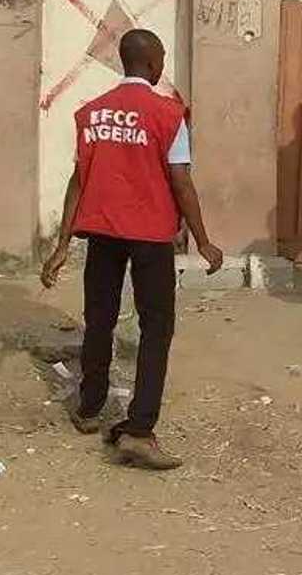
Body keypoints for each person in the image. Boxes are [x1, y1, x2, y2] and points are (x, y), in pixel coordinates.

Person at [40, 28, 223, 471]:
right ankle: (139, 430)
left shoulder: (92, 113)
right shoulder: (168, 114)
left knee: (99, 317)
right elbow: (180, 180)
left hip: (101, 231)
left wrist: (62, 244)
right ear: (152, 63)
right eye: (161, 57)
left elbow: (79, 180)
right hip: (151, 234)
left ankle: (89, 407)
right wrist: (202, 239)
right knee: (156, 326)